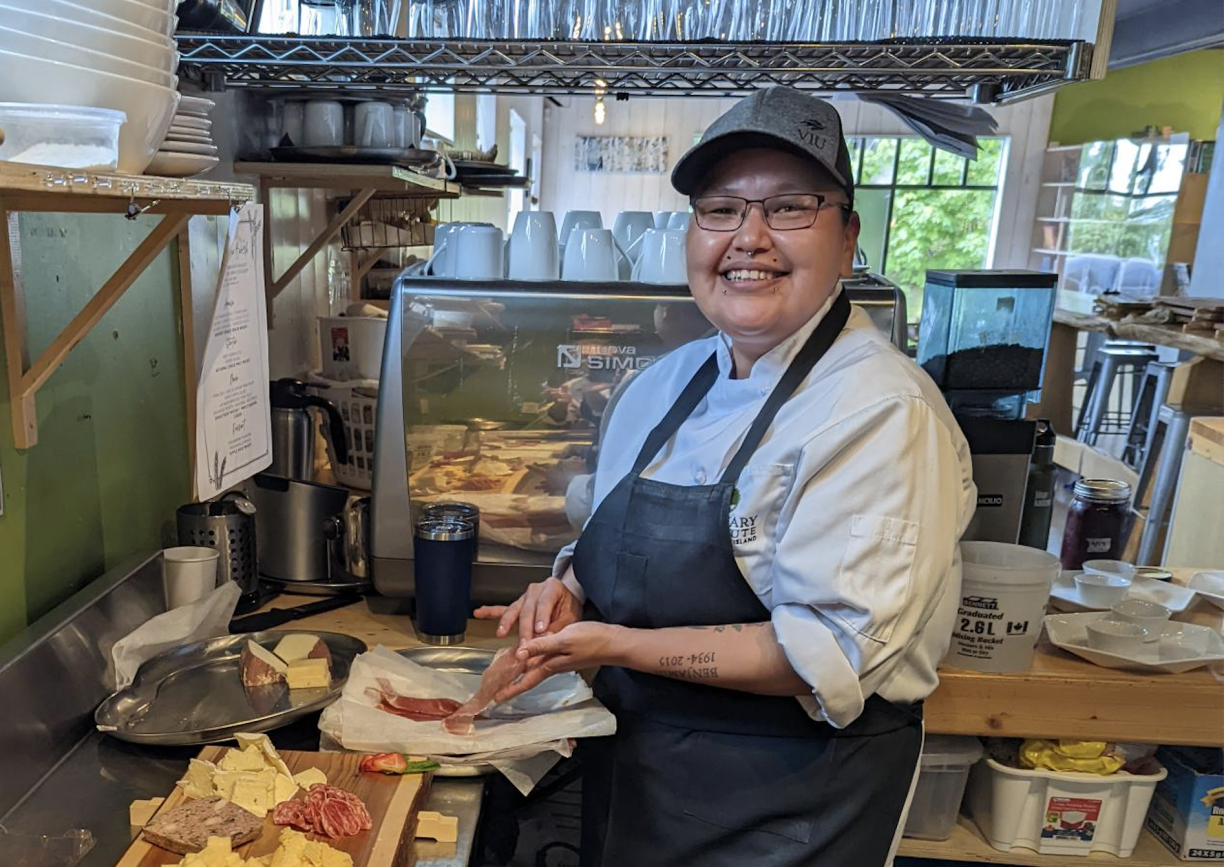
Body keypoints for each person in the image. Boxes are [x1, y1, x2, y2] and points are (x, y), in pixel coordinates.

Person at [475, 86, 976, 867]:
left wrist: (616, 642)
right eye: (721, 209)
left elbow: (826, 654)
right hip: (639, 788)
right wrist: (568, 588)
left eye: (788, 208)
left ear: (848, 240)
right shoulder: (661, 385)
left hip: (792, 812)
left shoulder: (883, 412)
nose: (749, 237)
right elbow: (608, 535)